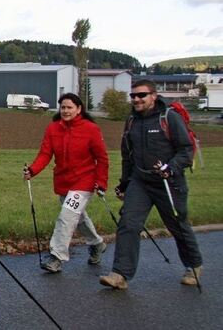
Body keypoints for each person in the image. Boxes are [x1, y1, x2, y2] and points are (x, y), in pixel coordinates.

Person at [100, 79, 203, 289]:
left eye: (141, 95)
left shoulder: (169, 118)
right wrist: (125, 183)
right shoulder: (131, 121)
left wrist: (170, 167)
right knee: (128, 223)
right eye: (133, 96)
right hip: (141, 182)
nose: (136, 99)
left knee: (178, 225)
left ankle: (193, 266)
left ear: (153, 96)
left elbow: (186, 150)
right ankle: (120, 274)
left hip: (169, 183)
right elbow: (127, 155)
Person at [24, 93, 109, 273]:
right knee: (78, 218)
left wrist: (101, 182)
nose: (65, 110)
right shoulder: (53, 129)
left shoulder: (91, 129)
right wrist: (32, 170)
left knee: (66, 217)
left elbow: (102, 158)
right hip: (63, 181)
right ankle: (97, 243)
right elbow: (45, 154)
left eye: (69, 107)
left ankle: (56, 256)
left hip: (84, 180)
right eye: (63, 107)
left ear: (79, 109)